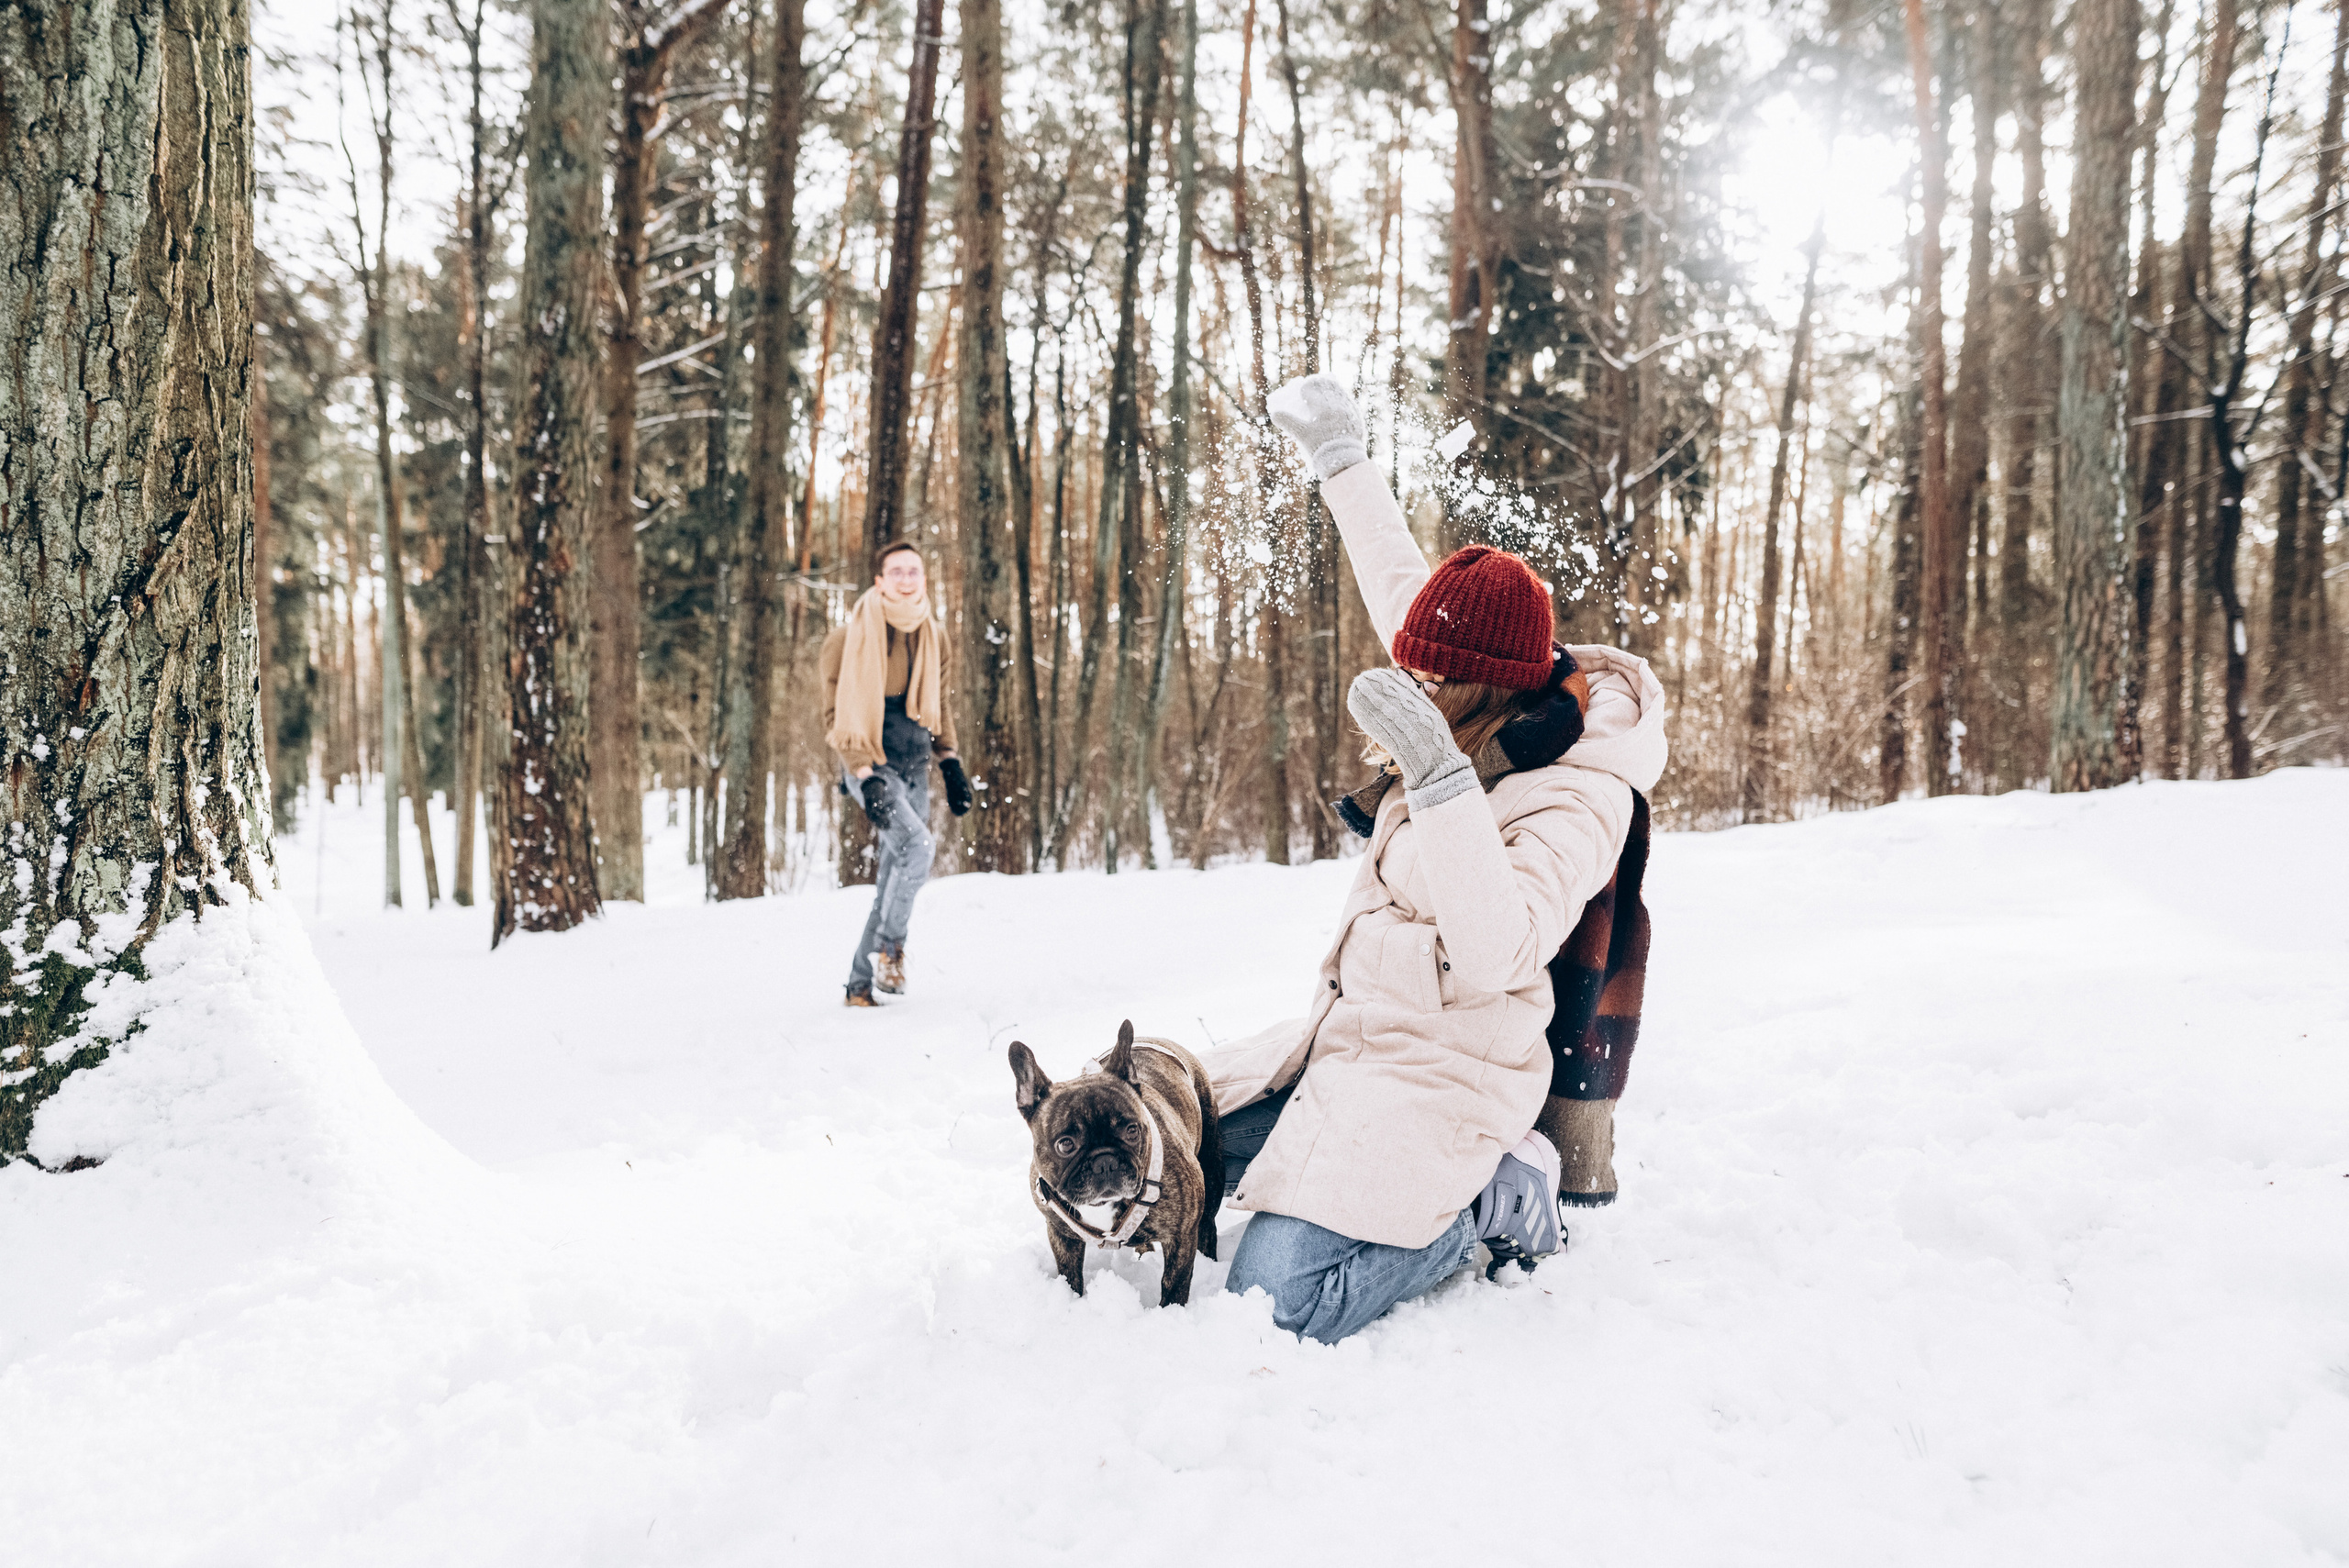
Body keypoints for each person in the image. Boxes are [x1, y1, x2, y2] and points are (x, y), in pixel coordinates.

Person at [1208, 374, 1668, 1343]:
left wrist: (1436, 779)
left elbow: (1503, 948)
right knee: (1164, 1144)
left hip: (1454, 1076)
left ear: (1477, 687)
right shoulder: (1474, 694)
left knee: (1275, 1301)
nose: (1408, 681)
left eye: (1427, 678)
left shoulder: (1581, 788)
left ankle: (1494, 1200)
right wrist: (1338, 454)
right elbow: (1403, 590)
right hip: (1351, 1041)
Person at [820, 540, 974, 1006]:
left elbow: (940, 703)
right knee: (918, 847)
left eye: (914, 571)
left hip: (914, 762)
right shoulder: (845, 639)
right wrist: (863, 774)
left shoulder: (935, 636)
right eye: (897, 571)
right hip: (868, 761)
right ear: (880, 581)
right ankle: (891, 950)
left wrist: (950, 762)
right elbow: (833, 715)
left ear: (923, 580)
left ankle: (859, 983)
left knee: (893, 876)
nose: (906, 579)